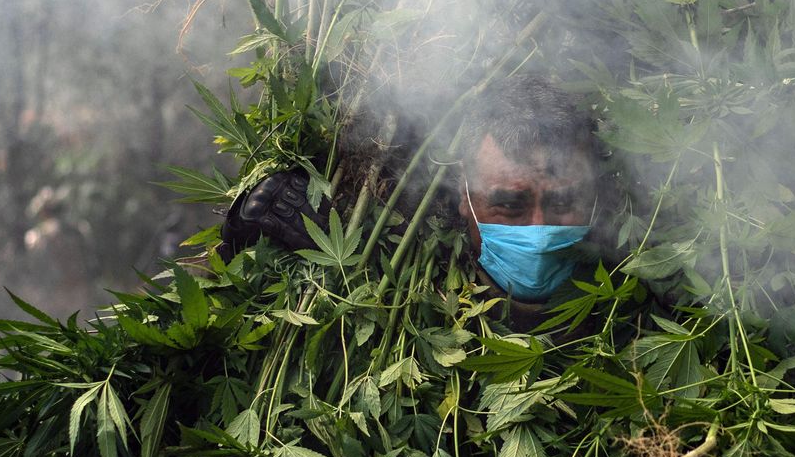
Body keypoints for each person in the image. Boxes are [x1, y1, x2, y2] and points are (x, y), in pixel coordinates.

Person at [220, 76, 603, 317]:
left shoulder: (630, 310)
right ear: (464, 197)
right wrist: (240, 260)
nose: (539, 232)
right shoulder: (395, 299)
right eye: (508, 206)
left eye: (563, 204)